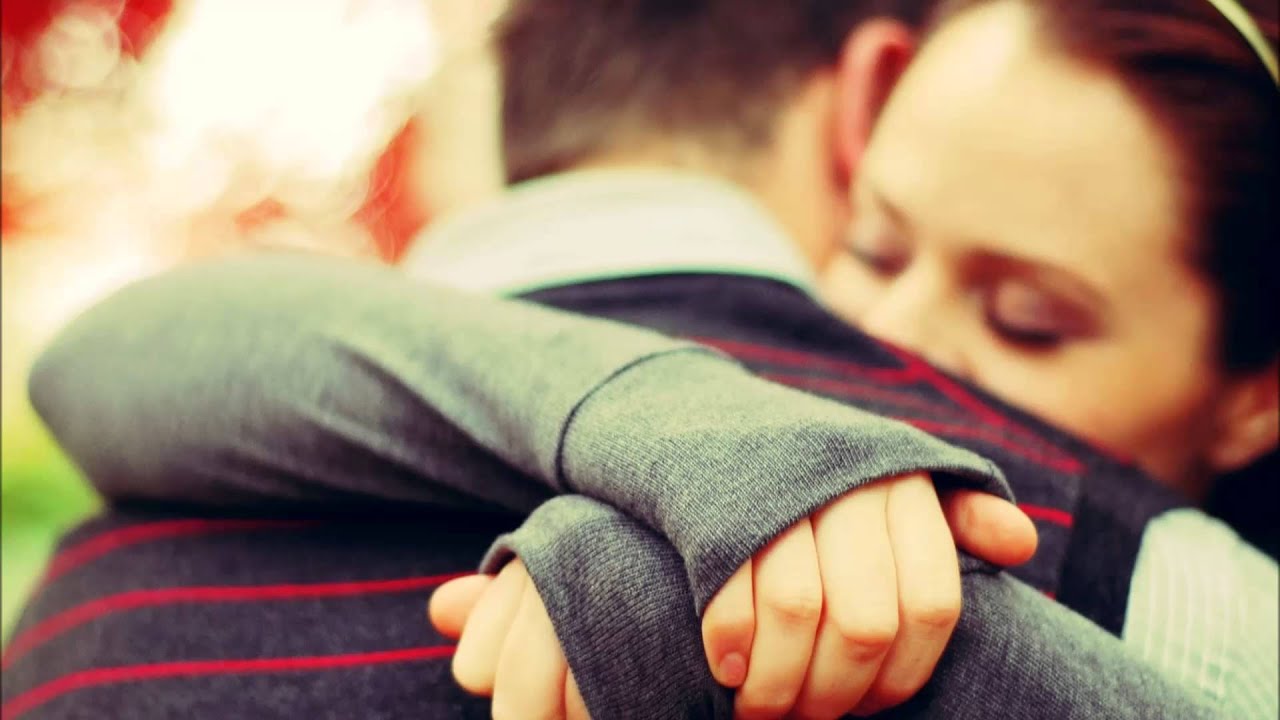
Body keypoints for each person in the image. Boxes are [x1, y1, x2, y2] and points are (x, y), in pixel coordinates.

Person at [15, 0, 1277, 718]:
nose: (889, 345)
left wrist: (692, 607)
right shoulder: (1174, 593)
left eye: (1029, 320)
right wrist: (698, 453)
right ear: (865, 112)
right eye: (875, 246)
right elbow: (92, 361)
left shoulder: (84, 600)